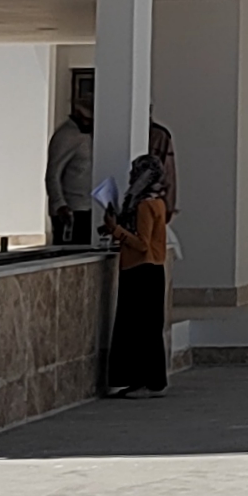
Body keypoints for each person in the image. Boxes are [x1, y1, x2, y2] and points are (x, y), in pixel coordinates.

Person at [102, 122, 176, 397]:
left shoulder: (144, 205)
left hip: (140, 270)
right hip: (153, 270)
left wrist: (116, 230)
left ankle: (137, 380)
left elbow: (142, 244)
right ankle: (150, 381)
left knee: (135, 327)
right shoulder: (158, 202)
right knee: (148, 328)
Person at [44, 97, 95, 248]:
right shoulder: (65, 136)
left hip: (89, 206)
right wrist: (59, 204)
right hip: (71, 209)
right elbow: (53, 173)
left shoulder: (88, 135)